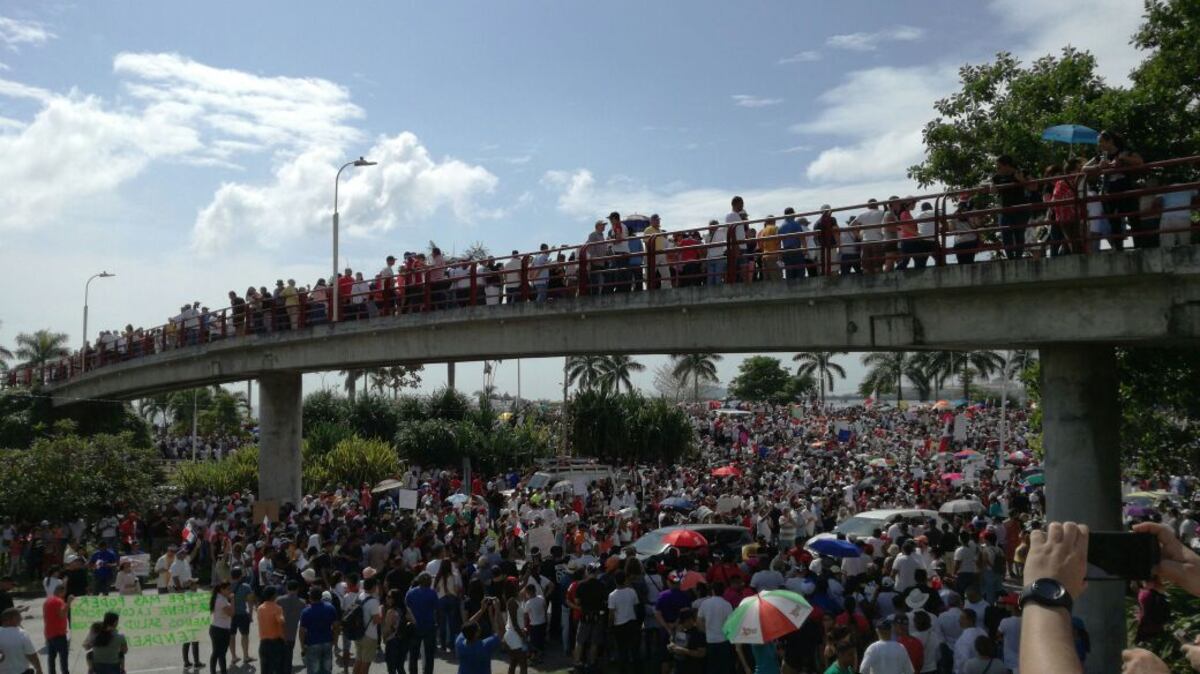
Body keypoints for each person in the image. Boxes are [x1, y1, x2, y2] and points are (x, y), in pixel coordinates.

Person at [991, 155, 1032, 259]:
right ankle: (1010, 257)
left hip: (1020, 209)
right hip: (1004, 210)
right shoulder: (996, 177)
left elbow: (1035, 187)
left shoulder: (1021, 172)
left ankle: (1018, 256)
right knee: (1005, 234)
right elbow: (993, 191)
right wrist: (992, 186)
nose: (997, 169)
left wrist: (1022, 180)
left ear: (1007, 165)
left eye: (999, 167)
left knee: (1019, 233)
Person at [455, 597, 504, 674]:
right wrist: (497, 610)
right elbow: (501, 631)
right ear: (477, 633)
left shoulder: (459, 643)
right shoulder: (485, 645)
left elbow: (467, 625)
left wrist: (481, 610)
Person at [299, 588, 338, 674]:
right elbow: (336, 626)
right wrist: (335, 641)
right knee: (326, 670)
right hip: (327, 642)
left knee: (313, 670)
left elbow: (302, 631)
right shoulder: (330, 608)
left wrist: (302, 646)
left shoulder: (306, 612)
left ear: (310, 598)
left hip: (312, 643)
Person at [405, 573, 438, 674]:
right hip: (429, 626)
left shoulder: (410, 593)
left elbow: (406, 608)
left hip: (414, 626)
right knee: (429, 655)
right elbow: (436, 609)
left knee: (413, 655)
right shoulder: (432, 593)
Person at [355, 577, 383, 674]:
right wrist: (381, 612)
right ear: (374, 587)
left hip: (358, 632)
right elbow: (376, 621)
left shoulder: (360, 596)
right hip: (369, 635)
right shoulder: (374, 601)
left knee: (358, 660)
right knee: (366, 663)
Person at [257, 585, 287, 674]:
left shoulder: (260, 608)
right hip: (276, 643)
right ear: (274, 595)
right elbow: (281, 622)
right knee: (279, 669)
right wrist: (284, 638)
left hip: (263, 643)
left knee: (265, 670)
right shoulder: (277, 608)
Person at [666, 607, 705, 674]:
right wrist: (671, 647)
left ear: (690, 620)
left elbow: (701, 653)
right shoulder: (680, 631)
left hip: (694, 668)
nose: (682, 625)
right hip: (679, 667)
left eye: (683, 622)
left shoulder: (698, 634)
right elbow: (673, 644)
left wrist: (684, 651)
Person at [229, 567, 255, 665]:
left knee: (231, 635)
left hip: (230, 615)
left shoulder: (227, 586)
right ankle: (246, 656)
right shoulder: (246, 587)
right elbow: (250, 602)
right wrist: (251, 615)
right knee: (245, 635)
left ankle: (234, 657)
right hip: (242, 614)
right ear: (240, 576)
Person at [43, 584, 69, 674]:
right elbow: (61, 615)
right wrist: (68, 603)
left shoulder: (47, 601)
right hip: (59, 633)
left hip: (49, 633)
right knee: (63, 657)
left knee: (51, 658)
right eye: (64, 592)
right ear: (61, 592)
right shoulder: (59, 601)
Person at [209, 582, 234, 674]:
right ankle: (223, 671)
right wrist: (232, 600)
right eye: (227, 589)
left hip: (216, 628)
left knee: (216, 652)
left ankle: (213, 671)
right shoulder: (222, 600)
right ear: (221, 590)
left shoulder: (218, 597)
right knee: (221, 653)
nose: (229, 591)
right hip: (221, 630)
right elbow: (231, 613)